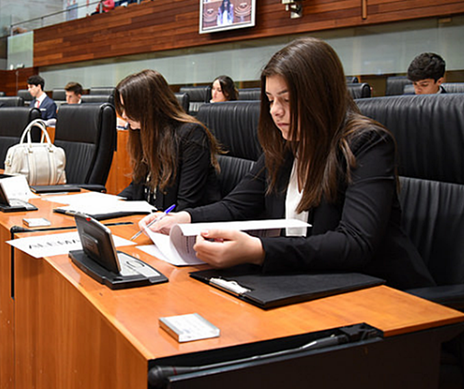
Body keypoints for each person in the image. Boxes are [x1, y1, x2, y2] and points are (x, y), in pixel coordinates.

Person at [143, 38, 433, 290]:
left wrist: (258, 250)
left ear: (322, 97)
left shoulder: (367, 143)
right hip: (302, 281)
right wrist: (183, 219)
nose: (275, 111)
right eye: (270, 100)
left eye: (287, 100)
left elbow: (354, 243)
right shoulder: (284, 144)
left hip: (377, 294)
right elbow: (236, 206)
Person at [114, 69, 221, 211]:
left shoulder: (191, 135)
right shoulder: (145, 133)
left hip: (186, 226)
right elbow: (138, 185)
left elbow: (186, 204)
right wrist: (113, 204)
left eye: (129, 108)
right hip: (154, 221)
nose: (124, 115)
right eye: (122, 108)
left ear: (149, 106)